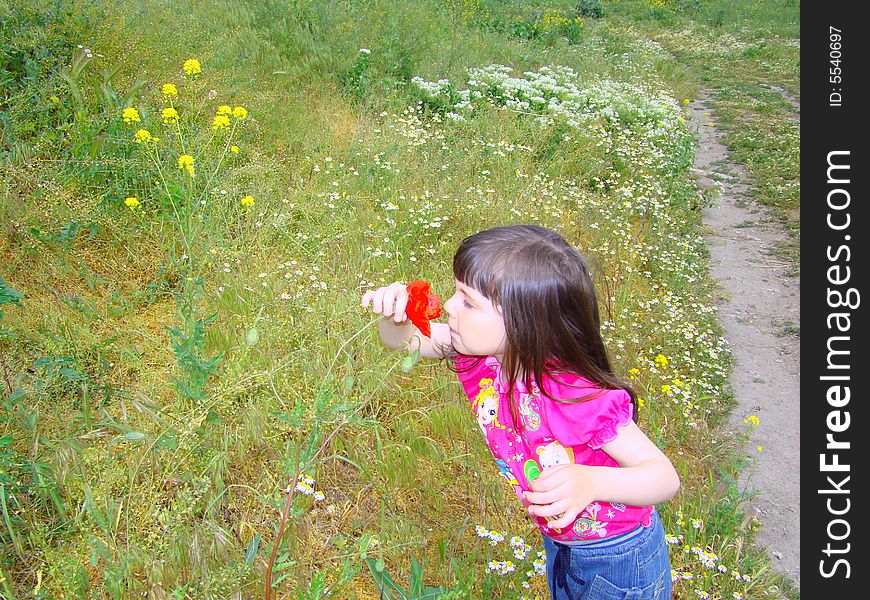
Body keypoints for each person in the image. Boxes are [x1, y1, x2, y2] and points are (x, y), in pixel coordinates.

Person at [360, 225, 679, 599]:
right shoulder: (483, 356)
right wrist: (395, 316)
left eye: (467, 300)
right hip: (561, 543)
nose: (448, 306)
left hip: (620, 559)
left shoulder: (571, 392)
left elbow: (663, 477)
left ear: (522, 322)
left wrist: (593, 482)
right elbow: (402, 342)